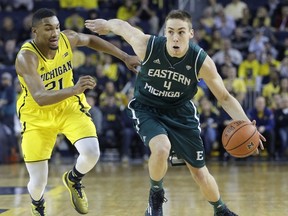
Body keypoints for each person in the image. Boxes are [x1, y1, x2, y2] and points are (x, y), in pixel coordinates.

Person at [85, 10, 266, 216]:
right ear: (165, 33)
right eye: (170, 32)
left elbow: (224, 97)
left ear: (191, 34)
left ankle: (220, 210)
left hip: (181, 113)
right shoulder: (148, 46)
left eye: (181, 32)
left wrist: (247, 125)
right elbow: (123, 27)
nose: (175, 37)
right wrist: (107, 24)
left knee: (199, 172)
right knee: (161, 148)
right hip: (147, 108)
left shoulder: (201, 61)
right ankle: (155, 195)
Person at [15, 8, 139, 216]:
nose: (54, 33)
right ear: (35, 32)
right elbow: (39, 97)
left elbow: (90, 40)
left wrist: (125, 56)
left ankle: (73, 179)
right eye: (48, 29)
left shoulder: (67, 39)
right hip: (37, 115)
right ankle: (37, 205)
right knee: (37, 183)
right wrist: (74, 89)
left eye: (57, 27)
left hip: (69, 107)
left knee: (92, 153)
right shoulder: (26, 58)